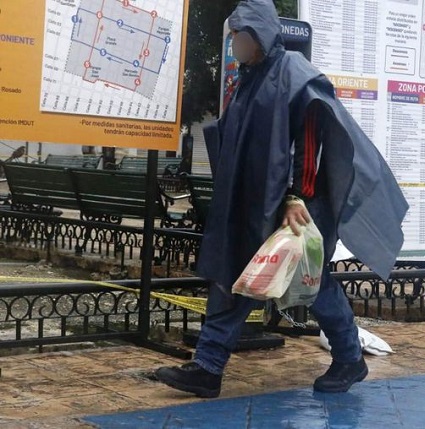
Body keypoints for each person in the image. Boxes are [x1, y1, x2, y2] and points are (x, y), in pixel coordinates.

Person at [155, 0, 408, 398]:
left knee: (312, 282)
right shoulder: (250, 77)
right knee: (236, 278)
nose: (235, 42)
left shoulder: (293, 73)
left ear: (262, 34)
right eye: (234, 34)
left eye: (241, 35)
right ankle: (207, 367)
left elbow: (310, 140)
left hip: (291, 204)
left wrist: (296, 196)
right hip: (253, 203)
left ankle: (348, 357)